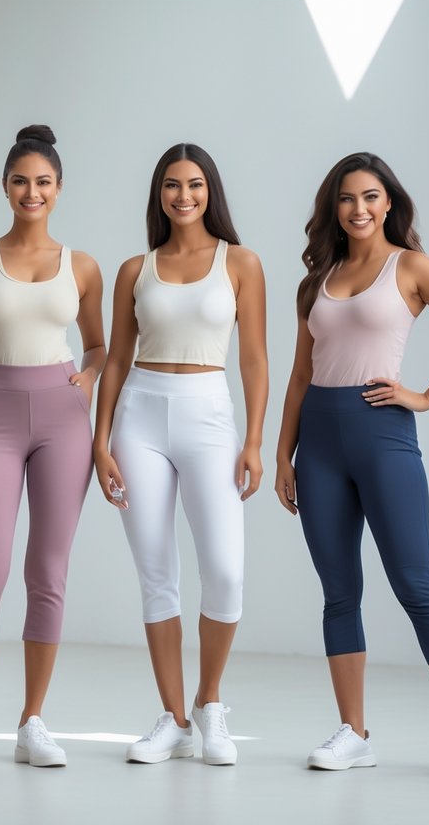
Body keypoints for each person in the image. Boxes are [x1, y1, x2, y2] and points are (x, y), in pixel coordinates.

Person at [274, 152, 429, 782]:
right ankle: (354, 732)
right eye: (347, 198)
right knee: (339, 592)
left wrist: (426, 396)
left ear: (388, 202)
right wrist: (283, 453)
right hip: (319, 443)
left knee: (416, 585)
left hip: (383, 436)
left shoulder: (412, 268)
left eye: (370, 196)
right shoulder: (316, 280)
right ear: (334, 207)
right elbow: (300, 374)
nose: (359, 209)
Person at [93, 143, 267, 767]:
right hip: (139, 416)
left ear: (209, 191)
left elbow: (254, 360)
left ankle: (209, 702)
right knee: (156, 573)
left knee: (225, 570)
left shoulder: (240, 263)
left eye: (194, 184)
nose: (183, 195)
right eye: (172, 185)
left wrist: (253, 441)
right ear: (159, 193)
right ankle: (172, 718)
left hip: (210, 416)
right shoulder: (134, 269)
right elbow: (116, 359)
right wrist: (100, 441)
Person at [0, 125, 105, 770]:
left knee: (49, 571)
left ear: (59, 189)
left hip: (63, 419)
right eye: (20, 182)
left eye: (43, 182)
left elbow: (99, 345)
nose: (31, 192)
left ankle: (32, 720)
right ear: (4, 187)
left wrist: (87, 377)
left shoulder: (81, 266)